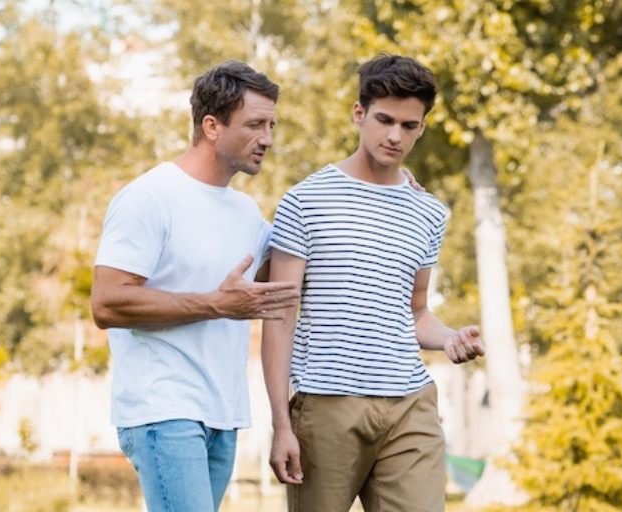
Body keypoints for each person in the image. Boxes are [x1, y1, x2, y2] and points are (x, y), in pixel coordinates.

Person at [261, 53, 486, 512]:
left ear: (423, 126)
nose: (394, 136)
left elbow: (416, 311)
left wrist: (450, 339)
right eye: (384, 120)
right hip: (326, 403)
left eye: (409, 125)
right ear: (359, 113)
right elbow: (281, 318)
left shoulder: (429, 212)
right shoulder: (305, 201)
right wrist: (281, 422)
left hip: (410, 404)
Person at [91, 61, 302, 512]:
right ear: (211, 125)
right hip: (162, 408)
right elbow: (107, 303)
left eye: (271, 125)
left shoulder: (246, 212)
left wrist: (390, 183)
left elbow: (290, 272)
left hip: (222, 413)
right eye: (255, 125)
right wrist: (215, 305)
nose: (268, 138)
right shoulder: (149, 198)